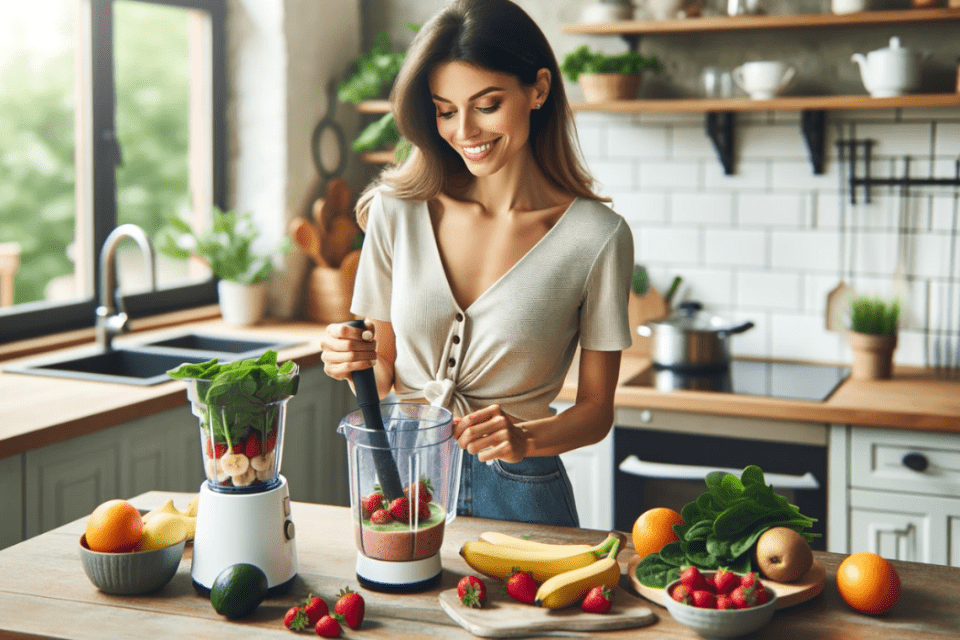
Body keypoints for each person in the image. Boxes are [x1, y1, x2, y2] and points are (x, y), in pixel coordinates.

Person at [319, 0, 633, 527]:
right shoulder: (397, 211)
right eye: (445, 110)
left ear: (538, 89)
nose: (464, 129)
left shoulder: (596, 238)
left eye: (486, 104)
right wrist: (345, 360)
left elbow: (597, 412)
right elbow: (382, 369)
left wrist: (524, 436)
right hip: (401, 474)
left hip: (524, 492)